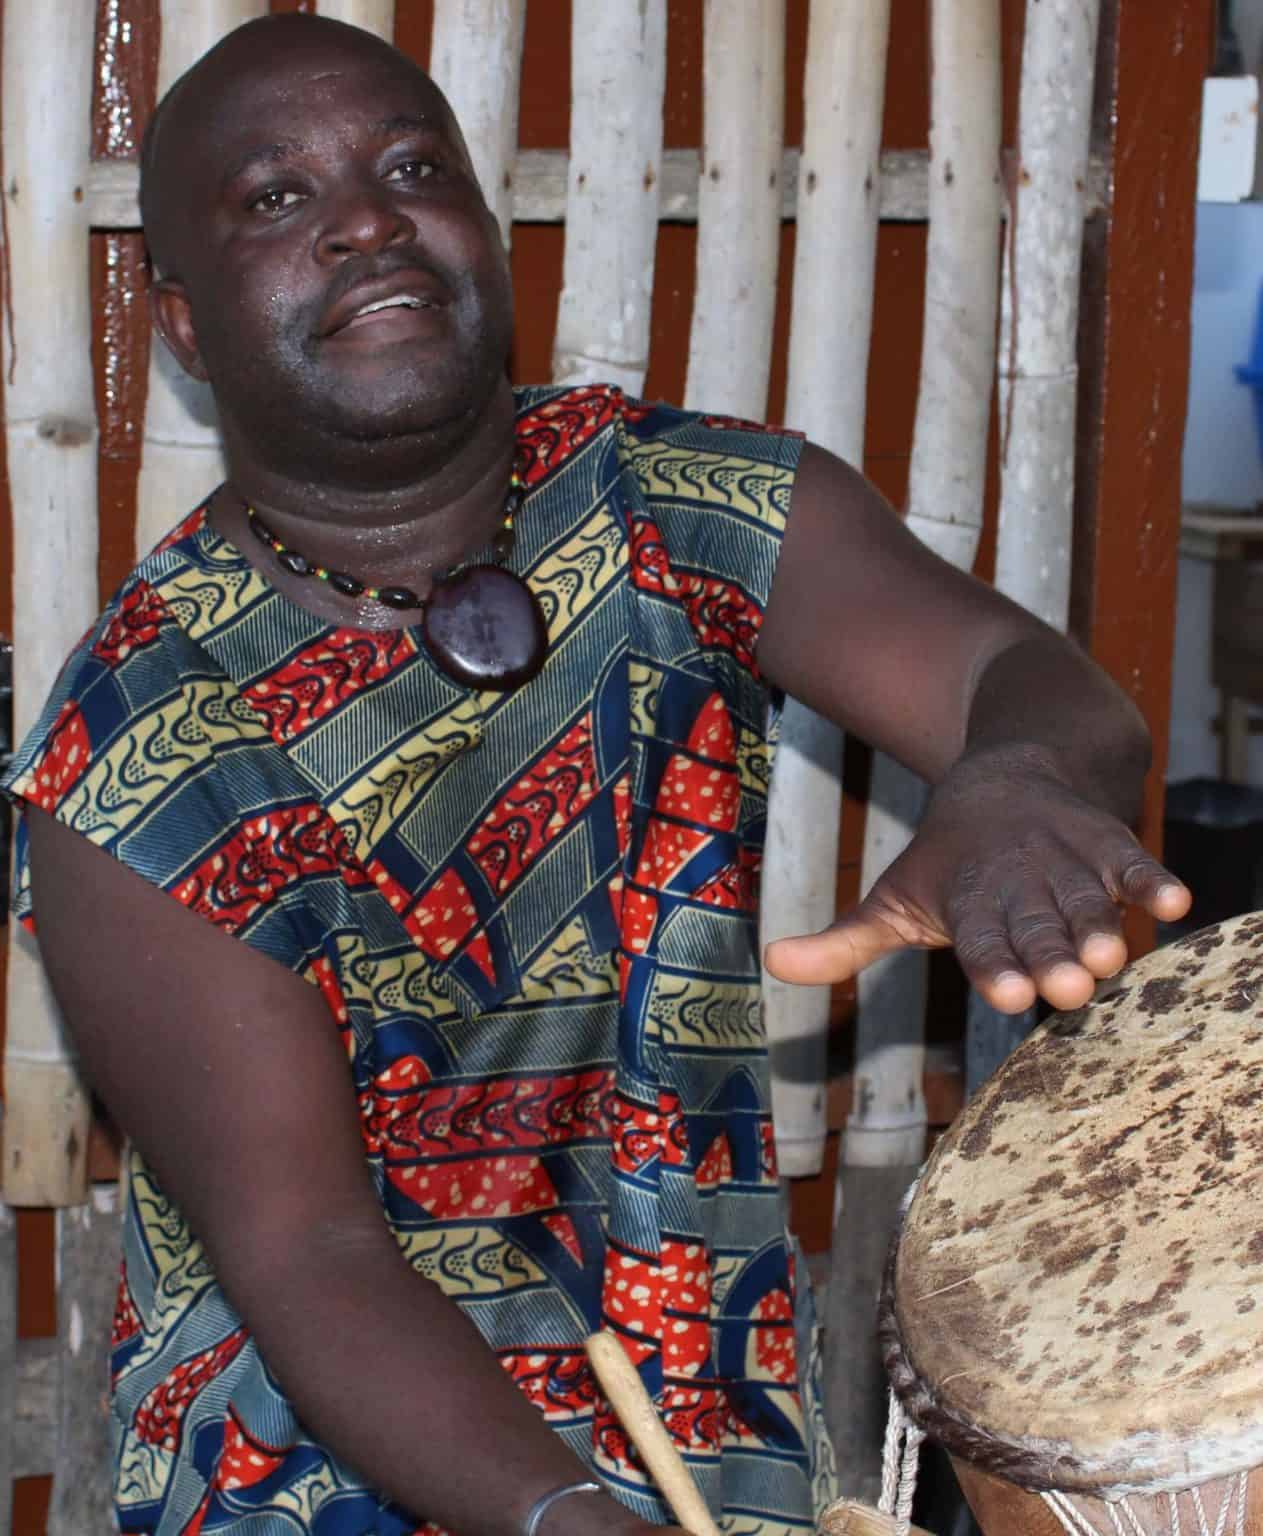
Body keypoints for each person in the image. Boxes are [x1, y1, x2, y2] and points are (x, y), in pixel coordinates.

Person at [3, 14, 1190, 1536]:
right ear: (181, 322)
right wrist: (574, 1521)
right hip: (313, 1472)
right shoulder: (140, 746)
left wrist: (1014, 781)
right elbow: (306, 1253)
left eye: (413, 166)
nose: (368, 216)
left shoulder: (673, 505)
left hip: (704, 1432)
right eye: (275, 200)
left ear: (489, 238)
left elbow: (1022, 687)